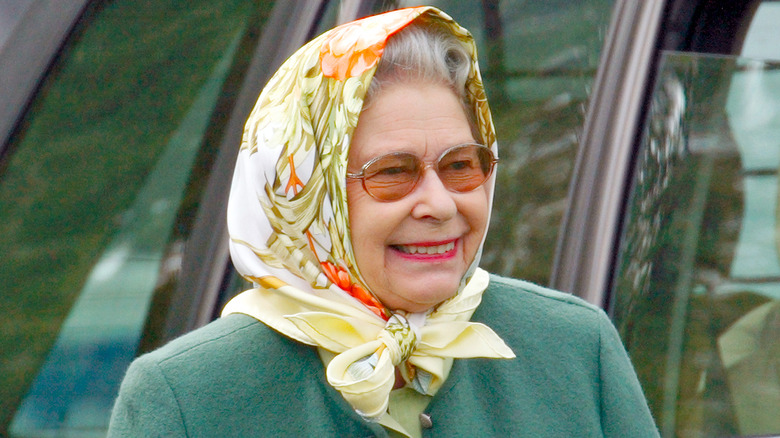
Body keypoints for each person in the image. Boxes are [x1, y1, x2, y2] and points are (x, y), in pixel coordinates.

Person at [108, 7, 659, 437]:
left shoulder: (574, 348)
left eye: (461, 165)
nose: (440, 204)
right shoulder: (185, 397)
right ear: (308, 196)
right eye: (392, 173)